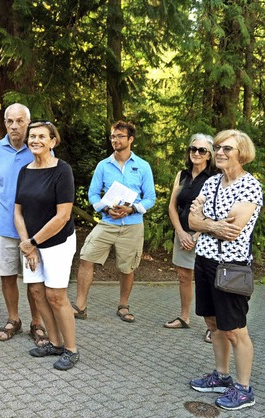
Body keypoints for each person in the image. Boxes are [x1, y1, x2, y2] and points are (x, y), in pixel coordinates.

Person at [188, 130, 261, 411]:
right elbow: (192, 220)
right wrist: (210, 224)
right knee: (212, 322)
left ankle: (244, 390)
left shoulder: (250, 186)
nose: (219, 152)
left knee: (235, 330)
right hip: (204, 260)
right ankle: (221, 376)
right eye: (217, 147)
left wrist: (205, 221)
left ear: (241, 152)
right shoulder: (211, 183)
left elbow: (233, 230)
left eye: (226, 148)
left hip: (232, 266)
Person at [72, 121, 156, 322]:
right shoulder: (103, 165)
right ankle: (80, 306)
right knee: (86, 257)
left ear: (130, 139)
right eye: (112, 136)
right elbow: (93, 194)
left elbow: (150, 198)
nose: (115, 140)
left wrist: (132, 209)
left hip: (133, 224)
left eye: (119, 136)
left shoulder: (142, 166)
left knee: (128, 268)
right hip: (107, 222)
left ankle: (123, 306)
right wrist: (106, 208)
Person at [14, 121, 79, 370]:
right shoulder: (25, 170)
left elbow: (62, 216)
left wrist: (33, 243)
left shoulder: (62, 170)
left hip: (57, 242)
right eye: (32, 136)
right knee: (36, 292)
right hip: (30, 243)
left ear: (53, 141)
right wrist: (27, 244)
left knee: (56, 295)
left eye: (42, 136)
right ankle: (54, 342)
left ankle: (71, 350)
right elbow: (17, 211)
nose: (35, 140)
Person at [0, 103, 47, 345]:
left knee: (35, 280)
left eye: (20, 121)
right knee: (7, 277)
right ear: (4, 123)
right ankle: (14, 320)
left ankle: (37, 323)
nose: (14, 126)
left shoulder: (38, 150)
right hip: (1, 228)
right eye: (10, 121)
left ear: (28, 123)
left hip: (34, 231)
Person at [164, 134, 214, 342]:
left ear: (209, 155)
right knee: (184, 277)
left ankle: (213, 325)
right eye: (193, 149)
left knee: (207, 279)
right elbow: (172, 206)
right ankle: (185, 317)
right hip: (182, 233)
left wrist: (197, 234)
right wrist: (181, 232)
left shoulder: (214, 178)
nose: (196, 153)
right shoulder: (182, 175)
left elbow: (217, 211)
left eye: (202, 150)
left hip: (205, 236)